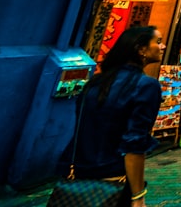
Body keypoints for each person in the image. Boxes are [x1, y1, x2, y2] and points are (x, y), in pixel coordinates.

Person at [56, 26, 164, 207]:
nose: (163, 47)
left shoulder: (95, 82)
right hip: (114, 177)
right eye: (158, 42)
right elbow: (134, 144)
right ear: (141, 49)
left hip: (77, 172)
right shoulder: (146, 86)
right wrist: (138, 196)